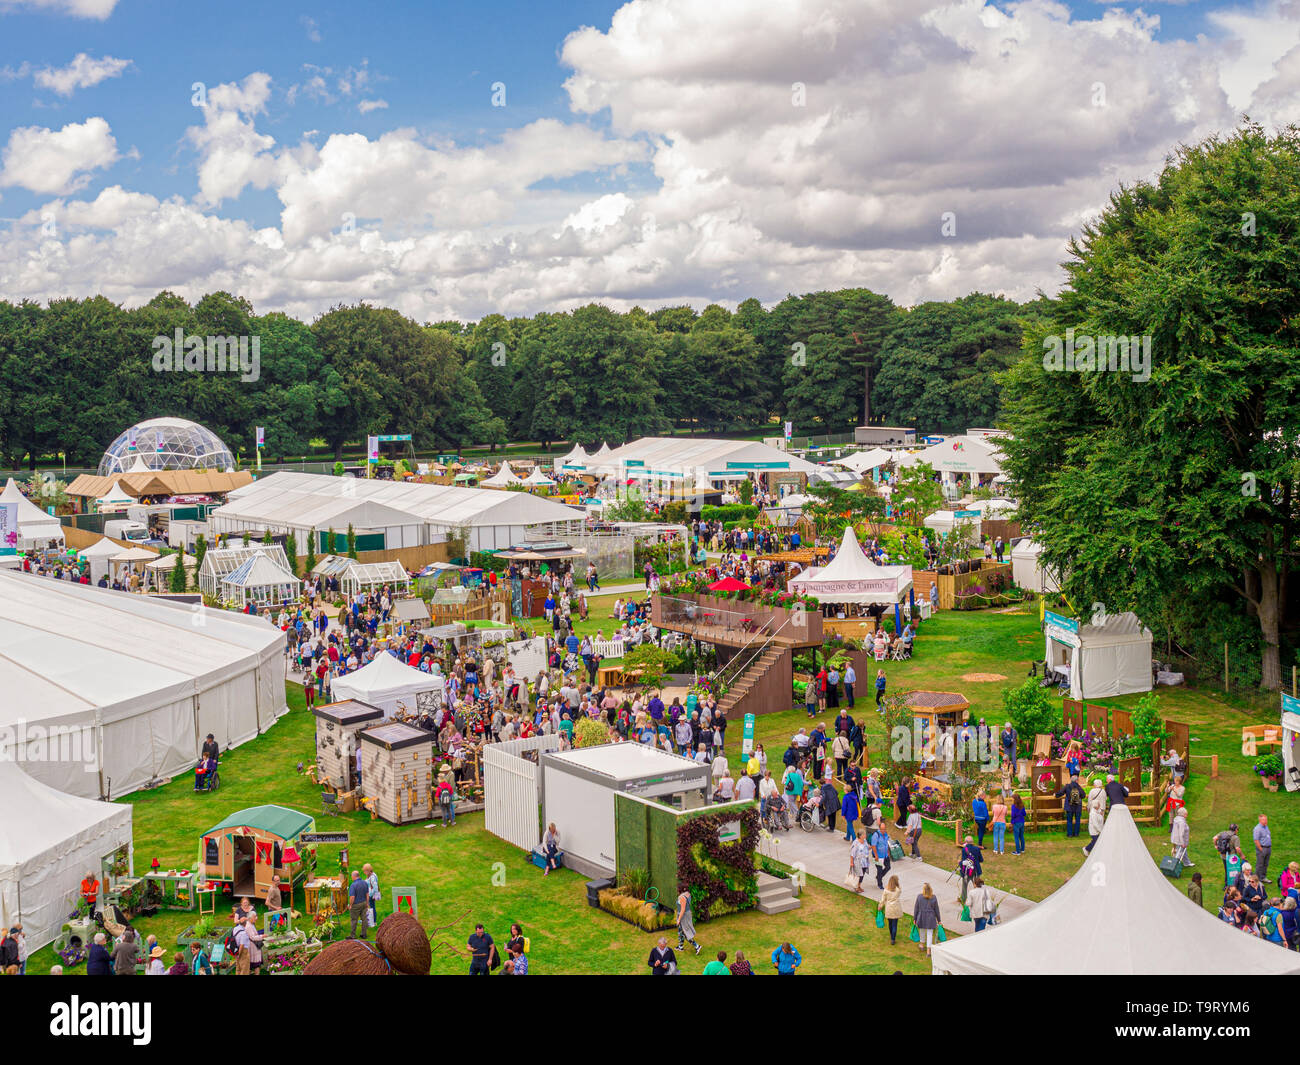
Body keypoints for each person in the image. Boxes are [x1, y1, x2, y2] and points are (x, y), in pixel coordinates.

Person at [913, 883, 941, 955]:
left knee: (922, 930)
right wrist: (939, 920)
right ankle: (928, 950)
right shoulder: (934, 897)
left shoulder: (919, 897)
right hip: (931, 917)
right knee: (929, 933)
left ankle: (922, 944)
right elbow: (936, 909)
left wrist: (915, 918)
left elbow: (916, 908)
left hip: (921, 916)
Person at [1054, 774, 1085, 838]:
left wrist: (1055, 795)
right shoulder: (1078, 787)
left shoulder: (1067, 786)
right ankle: (1076, 834)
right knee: (1077, 821)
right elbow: (1083, 795)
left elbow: (1061, 793)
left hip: (1069, 806)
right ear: (1076, 780)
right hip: (1077, 807)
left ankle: (1070, 834)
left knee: (1069, 821)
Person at [1084, 779, 1106, 854]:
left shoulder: (1092, 791)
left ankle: (1096, 846)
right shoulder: (1103, 791)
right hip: (1101, 810)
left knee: (1094, 823)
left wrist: (1088, 808)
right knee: (1100, 823)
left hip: (1094, 809)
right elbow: (1105, 800)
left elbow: (1090, 801)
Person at [675, 889, 701, 955]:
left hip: (683, 916)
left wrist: (678, 919)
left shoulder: (682, 897)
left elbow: (682, 909)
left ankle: (697, 946)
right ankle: (680, 946)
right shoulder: (688, 894)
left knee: (685, 932)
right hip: (686, 914)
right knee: (680, 931)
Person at [347, 869, 370, 940]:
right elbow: (367, 894)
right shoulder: (365, 883)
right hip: (364, 903)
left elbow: (352, 897)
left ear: (354, 876)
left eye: (351, 876)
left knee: (354, 920)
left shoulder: (353, 885)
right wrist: (367, 903)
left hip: (356, 905)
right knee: (364, 919)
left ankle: (353, 935)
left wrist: (350, 905)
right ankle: (364, 934)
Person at [881, 874, 903, 944]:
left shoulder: (886, 890)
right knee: (895, 924)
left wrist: (880, 905)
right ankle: (893, 939)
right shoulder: (898, 889)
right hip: (896, 908)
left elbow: (883, 899)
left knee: (890, 923)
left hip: (889, 908)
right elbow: (899, 889)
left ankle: (891, 935)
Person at [871, 823, 892, 889]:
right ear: (879, 828)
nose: (883, 830)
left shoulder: (886, 835)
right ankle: (880, 884)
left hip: (885, 855)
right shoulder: (876, 835)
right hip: (877, 856)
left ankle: (878, 877)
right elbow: (873, 846)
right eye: (882, 829)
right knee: (879, 870)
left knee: (888, 867)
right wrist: (876, 856)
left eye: (884, 829)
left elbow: (886, 844)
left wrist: (888, 852)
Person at [1254, 814, 1272, 883]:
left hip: (1268, 848)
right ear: (1260, 820)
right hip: (1262, 848)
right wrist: (1260, 848)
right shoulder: (1257, 829)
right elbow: (1256, 840)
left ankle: (1263, 877)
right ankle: (1257, 879)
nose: (1266, 821)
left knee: (1265, 864)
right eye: (1264, 820)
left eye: (1266, 819)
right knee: (1260, 864)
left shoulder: (1266, 827)